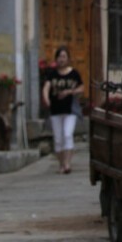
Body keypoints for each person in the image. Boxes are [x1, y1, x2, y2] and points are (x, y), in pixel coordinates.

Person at [42, 46, 84, 174]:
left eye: (64, 56)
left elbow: (81, 88)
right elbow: (46, 87)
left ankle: (67, 164)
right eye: (59, 57)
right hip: (55, 110)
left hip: (70, 110)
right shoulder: (52, 74)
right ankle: (61, 164)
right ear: (56, 59)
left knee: (67, 134)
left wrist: (69, 91)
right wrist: (46, 99)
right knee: (58, 138)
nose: (61, 59)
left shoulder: (74, 73)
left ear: (68, 59)